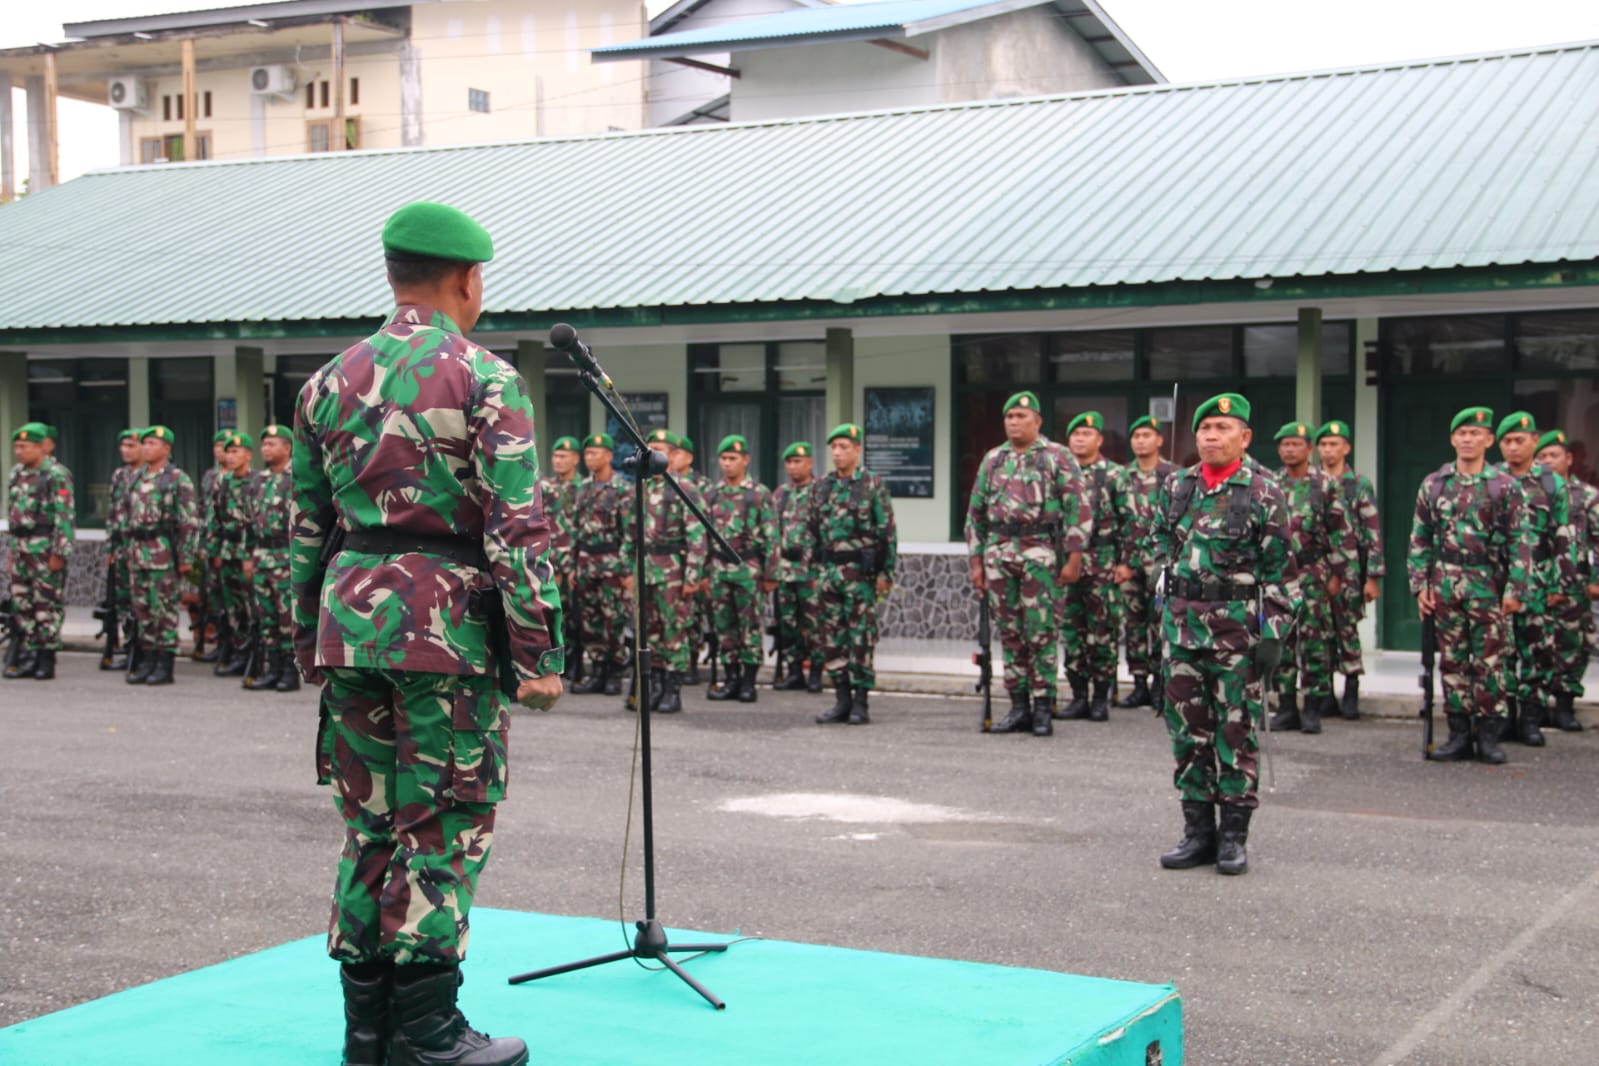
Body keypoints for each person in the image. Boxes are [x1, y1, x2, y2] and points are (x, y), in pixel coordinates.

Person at [291, 201, 563, 1066]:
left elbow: (307, 527)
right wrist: (537, 654)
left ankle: (366, 1032)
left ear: (391, 274)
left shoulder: (326, 381)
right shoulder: (485, 376)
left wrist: (309, 638)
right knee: (442, 822)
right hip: (445, 629)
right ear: (468, 279)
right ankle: (429, 1035)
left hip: (351, 621)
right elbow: (516, 526)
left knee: (368, 824)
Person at [1152, 394, 1290, 876]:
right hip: (1182, 629)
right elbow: (1160, 541)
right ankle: (1197, 834)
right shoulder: (1177, 485)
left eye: (1222, 428)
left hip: (1236, 634)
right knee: (1188, 734)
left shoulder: (1264, 490)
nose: (1211, 436)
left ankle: (1233, 837)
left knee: (1235, 732)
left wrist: (1273, 633)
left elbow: (1282, 571)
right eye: (1205, 428)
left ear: (1244, 437)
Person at [1407, 406, 1535, 764]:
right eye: (1462, 433)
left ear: (1488, 440)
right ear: (1452, 439)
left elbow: (1519, 542)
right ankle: (1459, 734)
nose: (1468, 439)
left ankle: (1490, 736)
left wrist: (1516, 589)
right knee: (1453, 661)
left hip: (1487, 584)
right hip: (1445, 584)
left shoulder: (1503, 486)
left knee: (1490, 661)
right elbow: (1420, 540)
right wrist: (1421, 587)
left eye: (1475, 433)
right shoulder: (1435, 484)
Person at [964, 391, 1089, 735]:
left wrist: (1074, 558)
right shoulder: (993, 459)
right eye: (1009, 417)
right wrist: (976, 563)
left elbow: (1077, 508)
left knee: (1042, 632)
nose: (1014, 422)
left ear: (1037, 421)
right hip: (999, 554)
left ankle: (1043, 707)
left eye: (1021, 416)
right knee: (1011, 634)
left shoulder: (1057, 456)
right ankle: (1018, 706)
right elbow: (975, 514)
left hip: (1041, 554)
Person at [1493, 411, 1579, 746]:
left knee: (1538, 650)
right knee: (1502, 650)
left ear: (1534, 442)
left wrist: (1561, 583)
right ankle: (1504, 716)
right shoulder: (1493, 478)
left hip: (1540, 579)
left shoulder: (1550, 483)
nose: (1513, 448)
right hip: (1499, 577)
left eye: (1520, 441)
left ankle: (1530, 719)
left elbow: (1563, 535)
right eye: (1507, 441)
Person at [1266, 421, 1354, 735]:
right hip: (1278, 574)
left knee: (1315, 643)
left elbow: (1342, 535)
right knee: (1280, 641)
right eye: (1284, 444)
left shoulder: (1326, 485)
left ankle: (1313, 707)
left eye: (1296, 444)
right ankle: (1287, 706)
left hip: (1314, 573)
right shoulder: (1270, 484)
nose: (1290, 449)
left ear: (1309, 449)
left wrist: (1337, 576)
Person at [810, 423, 897, 725]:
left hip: (860, 575)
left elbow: (887, 532)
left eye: (844, 447)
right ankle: (841, 699)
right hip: (829, 574)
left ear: (857, 450)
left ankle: (861, 702)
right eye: (833, 447)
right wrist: (814, 571)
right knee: (832, 638)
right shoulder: (822, 486)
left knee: (861, 638)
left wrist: (886, 572)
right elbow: (812, 532)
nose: (837, 453)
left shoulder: (873, 485)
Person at [1313, 420, 1384, 719]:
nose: (1329, 450)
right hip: (1317, 570)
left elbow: (1371, 531)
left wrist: (1373, 577)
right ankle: (1327, 692)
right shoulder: (1312, 482)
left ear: (1347, 448)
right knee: (1321, 631)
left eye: (1334, 444)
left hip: (1351, 571)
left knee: (1347, 629)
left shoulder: (1358, 484)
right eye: (1324, 444)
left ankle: (1351, 690)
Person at [1058, 411, 1123, 721]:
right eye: (1075, 434)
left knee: (1102, 632)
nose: (1080, 439)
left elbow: (1132, 523)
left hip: (1103, 563)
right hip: (1068, 565)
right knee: (1072, 631)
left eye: (1087, 433)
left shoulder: (1114, 475)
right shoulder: (1061, 472)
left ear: (1099, 439)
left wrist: (1128, 564)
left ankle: (1100, 697)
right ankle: (1078, 695)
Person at [124, 425, 199, 686]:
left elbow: (188, 521)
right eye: (144, 444)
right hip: (137, 553)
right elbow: (127, 518)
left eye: (152, 444)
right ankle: (147, 660)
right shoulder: (136, 478)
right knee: (142, 609)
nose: (146, 448)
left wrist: (186, 556)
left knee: (163, 610)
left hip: (162, 555)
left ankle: (164, 664)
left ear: (166, 448)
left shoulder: (177, 479)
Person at [705, 435, 778, 702]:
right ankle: (731, 678)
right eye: (723, 459)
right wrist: (703, 573)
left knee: (749, 627)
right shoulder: (713, 493)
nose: (727, 464)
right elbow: (703, 536)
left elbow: (772, 536)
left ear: (745, 460)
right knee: (725, 629)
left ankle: (749, 681)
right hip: (719, 571)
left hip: (748, 570)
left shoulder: (758, 494)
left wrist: (771, 573)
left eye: (733, 459)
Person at [1112, 415, 1178, 709]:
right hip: (1129, 563)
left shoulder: (1174, 476)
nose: (1140, 440)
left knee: (1161, 623)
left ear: (1159, 440)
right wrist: (1120, 561)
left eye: (1146, 435)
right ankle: (1139, 682)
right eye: (1136, 436)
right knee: (1134, 624)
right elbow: (1114, 521)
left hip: (1161, 563)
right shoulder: (1122, 476)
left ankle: (1161, 683)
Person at [639, 430, 708, 712]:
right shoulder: (642, 487)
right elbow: (632, 532)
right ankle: (655, 686)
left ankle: (673, 690)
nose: (651, 453)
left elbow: (697, 536)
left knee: (674, 631)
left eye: (658, 449)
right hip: (647, 569)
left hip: (673, 571)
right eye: (649, 448)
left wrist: (693, 576)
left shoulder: (684, 487)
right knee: (650, 632)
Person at [1535, 429, 1599, 731]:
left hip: (1576, 582)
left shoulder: (1586, 496)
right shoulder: (1528, 491)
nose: (1548, 461)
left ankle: (1563, 705)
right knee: (1535, 643)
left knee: (1572, 644)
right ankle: (1532, 705)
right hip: (1536, 583)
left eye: (1554, 455)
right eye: (1542, 456)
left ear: (1568, 459)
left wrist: (1596, 579)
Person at [5, 423, 74, 680]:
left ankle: (46, 657)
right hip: (21, 547)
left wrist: (60, 552)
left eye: (25, 446)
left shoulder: (56, 474)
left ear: (40, 447)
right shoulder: (17, 474)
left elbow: (65, 516)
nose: (19, 452)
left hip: (44, 548)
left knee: (46, 604)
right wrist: (12, 550)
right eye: (17, 447)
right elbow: (13, 513)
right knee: (23, 604)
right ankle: (29, 655)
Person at [569, 432, 633, 696]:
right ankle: (597, 669)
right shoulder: (583, 488)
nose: (590, 458)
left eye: (595, 453)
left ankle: (615, 671)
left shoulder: (621, 489)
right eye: (587, 454)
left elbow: (630, 532)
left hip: (611, 565)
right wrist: (572, 565)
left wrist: (626, 568)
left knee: (613, 619)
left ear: (608, 456)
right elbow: (574, 530)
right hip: (586, 563)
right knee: (589, 619)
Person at [243, 425, 298, 692]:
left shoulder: (297, 478)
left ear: (287, 448)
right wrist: (248, 556)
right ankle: (272, 668)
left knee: (286, 615)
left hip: (286, 554)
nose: (266, 448)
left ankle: (290, 671)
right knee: (265, 615)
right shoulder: (258, 481)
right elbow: (248, 522)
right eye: (264, 444)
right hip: (262, 555)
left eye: (272, 444)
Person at [207, 430, 261, 678]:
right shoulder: (223, 483)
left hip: (249, 553)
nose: (230, 456)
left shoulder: (258, 482)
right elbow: (215, 519)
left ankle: (257, 653)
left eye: (235, 451)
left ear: (248, 455)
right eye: (227, 451)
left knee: (252, 606)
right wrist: (214, 550)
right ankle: (238, 651)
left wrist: (252, 555)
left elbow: (258, 522)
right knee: (231, 606)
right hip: (228, 552)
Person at [773, 441, 825, 694]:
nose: (793, 467)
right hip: (785, 571)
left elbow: (826, 533)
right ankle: (794, 671)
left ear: (810, 464)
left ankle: (815, 671)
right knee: (788, 623)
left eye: (798, 462)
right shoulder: (781, 494)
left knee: (814, 623)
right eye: (789, 462)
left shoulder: (820, 491)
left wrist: (820, 569)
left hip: (811, 572)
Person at [102, 427, 145, 670]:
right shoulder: (119, 476)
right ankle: (129, 648)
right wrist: (110, 549)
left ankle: (145, 650)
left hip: (144, 549)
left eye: (132, 446)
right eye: (123, 446)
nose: (125, 451)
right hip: (121, 550)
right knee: (123, 601)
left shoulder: (149, 476)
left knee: (143, 603)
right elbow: (112, 515)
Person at [540, 436, 583, 679]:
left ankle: (577, 662)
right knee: (553, 615)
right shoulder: (545, 487)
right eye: (555, 456)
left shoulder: (584, 488)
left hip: (575, 563)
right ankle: (557, 662)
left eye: (563, 457)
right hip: (549, 562)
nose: (558, 461)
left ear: (575, 459)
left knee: (577, 616)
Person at [193, 429, 233, 662]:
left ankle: (235, 646)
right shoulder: (210, 476)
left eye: (225, 446)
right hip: (210, 545)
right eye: (217, 446)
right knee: (214, 597)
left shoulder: (244, 478)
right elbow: (202, 510)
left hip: (231, 548)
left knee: (234, 600)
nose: (221, 450)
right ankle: (220, 641)